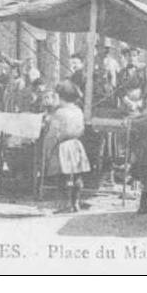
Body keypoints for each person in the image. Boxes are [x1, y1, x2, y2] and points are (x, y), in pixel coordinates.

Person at [41, 81, 92, 213]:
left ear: (60, 97)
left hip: (62, 147)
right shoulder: (78, 111)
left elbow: (54, 134)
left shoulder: (60, 113)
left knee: (62, 177)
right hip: (76, 144)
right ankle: (75, 202)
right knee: (76, 176)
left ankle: (65, 203)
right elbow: (82, 129)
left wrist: (47, 148)